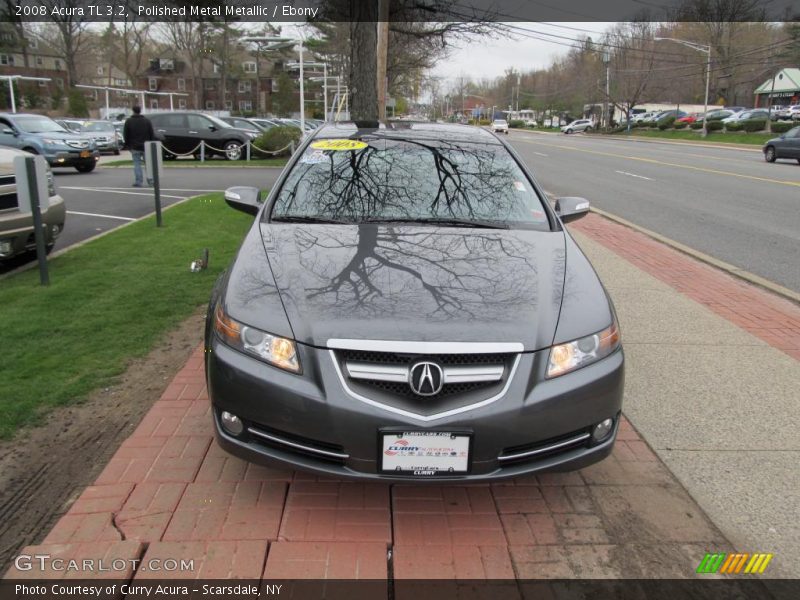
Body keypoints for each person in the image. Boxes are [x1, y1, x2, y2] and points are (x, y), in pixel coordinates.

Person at [122, 106, 155, 187]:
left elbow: (126, 134)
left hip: (134, 146)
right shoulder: (147, 121)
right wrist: (151, 142)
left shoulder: (129, 121)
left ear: (133, 111)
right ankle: (151, 180)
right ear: (140, 111)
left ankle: (138, 181)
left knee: (137, 164)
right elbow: (151, 133)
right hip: (146, 146)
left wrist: (127, 145)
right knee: (148, 164)